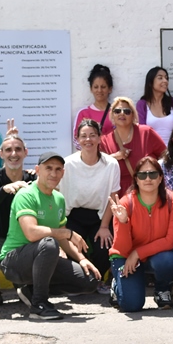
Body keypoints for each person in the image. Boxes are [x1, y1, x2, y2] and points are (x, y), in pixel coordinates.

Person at [0, 152, 102, 320]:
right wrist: (68, 233)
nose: (53, 174)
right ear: (38, 170)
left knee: (90, 281)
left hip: (43, 257)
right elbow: (32, 233)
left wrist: (81, 259)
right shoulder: (26, 194)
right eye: (48, 168)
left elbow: (62, 238)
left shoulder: (59, 198)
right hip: (13, 262)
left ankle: (31, 290)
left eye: (58, 169)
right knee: (48, 243)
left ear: (63, 173)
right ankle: (39, 305)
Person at [108, 156, 173, 311]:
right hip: (126, 255)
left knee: (167, 259)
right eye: (142, 175)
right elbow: (122, 247)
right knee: (131, 306)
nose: (148, 179)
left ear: (160, 177)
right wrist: (123, 222)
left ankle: (162, 290)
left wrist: (138, 252)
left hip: (156, 255)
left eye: (153, 174)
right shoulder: (125, 203)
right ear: (136, 178)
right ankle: (117, 284)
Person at [58, 120, 121, 280]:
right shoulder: (67, 164)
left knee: (104, 249)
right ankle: (83, 282)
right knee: (74, 250)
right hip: (73, 215)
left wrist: (105, 226)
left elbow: (113, 196)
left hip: (100, 217)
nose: (88, 140)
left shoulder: (111, 164)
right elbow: (56, 194)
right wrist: (62, 229)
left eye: (92, 135)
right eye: (83, 136)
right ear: (77, 139)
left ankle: (97, 280)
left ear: (100, 138)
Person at [0, 134, 36, 306]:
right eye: (8, 150)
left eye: (18, 149)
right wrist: (6, 189)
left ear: (26, 152)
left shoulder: (32, 179)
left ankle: (23, 286)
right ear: (1, 154)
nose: (13, 154)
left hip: (22, 238)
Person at [100, 96, 166, 195]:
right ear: (112, 115)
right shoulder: (105, 140)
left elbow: (166, 155)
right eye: (117, 111)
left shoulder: (146, 133)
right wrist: (114, 157)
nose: (122, 113)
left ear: (133, 115)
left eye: (127, 111)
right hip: (117, 194)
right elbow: (98, 166)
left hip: (146, 193)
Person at [136, 66, 173, 145]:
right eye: (160, 78)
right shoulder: (142, 104)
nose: (165, 81)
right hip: (151, 151)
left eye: (166, 78)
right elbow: (141, 131)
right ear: (150, 82)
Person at [74, 64, 115, 139]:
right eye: (96, 87)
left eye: (103, 87)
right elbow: (76, 139)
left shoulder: (117, 113)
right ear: (91, 89)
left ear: (110, 89)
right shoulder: (83, 113)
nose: (99, 90)